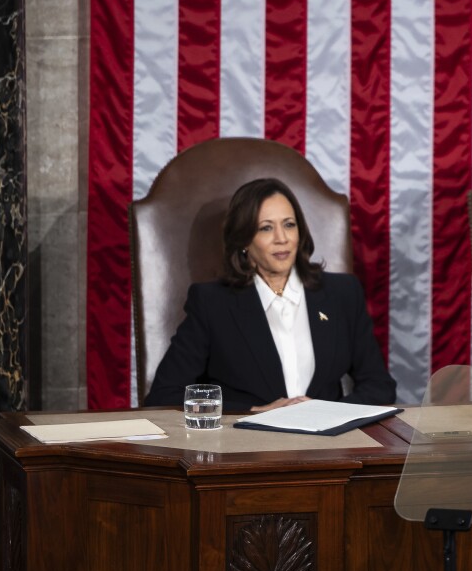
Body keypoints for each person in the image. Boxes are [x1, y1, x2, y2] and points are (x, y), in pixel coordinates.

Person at [146, 177, 398, 413]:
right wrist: (254, 412)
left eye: (289, 225)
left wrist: (327, 412)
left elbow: (379, 386)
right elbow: (164, 396)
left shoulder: (342, 293)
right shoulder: (212, 302)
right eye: (266, 228)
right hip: (247, 450)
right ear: (244, 240)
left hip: (328, 449)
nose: (282, 239)